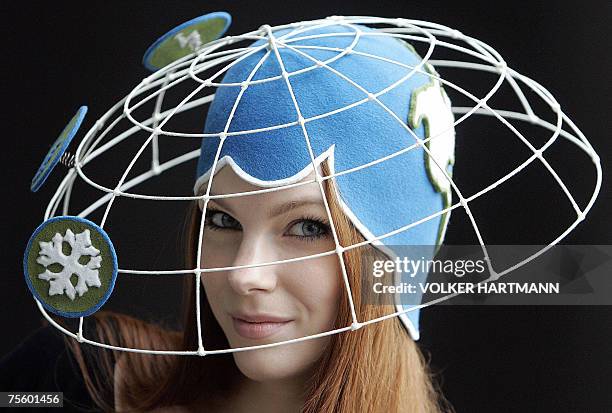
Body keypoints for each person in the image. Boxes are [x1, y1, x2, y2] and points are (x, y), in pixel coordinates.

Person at [7, 21, 455, 412]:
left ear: (393, 265)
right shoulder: (70, 380)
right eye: (222, 220)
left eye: (307, 227)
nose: (244, 274)